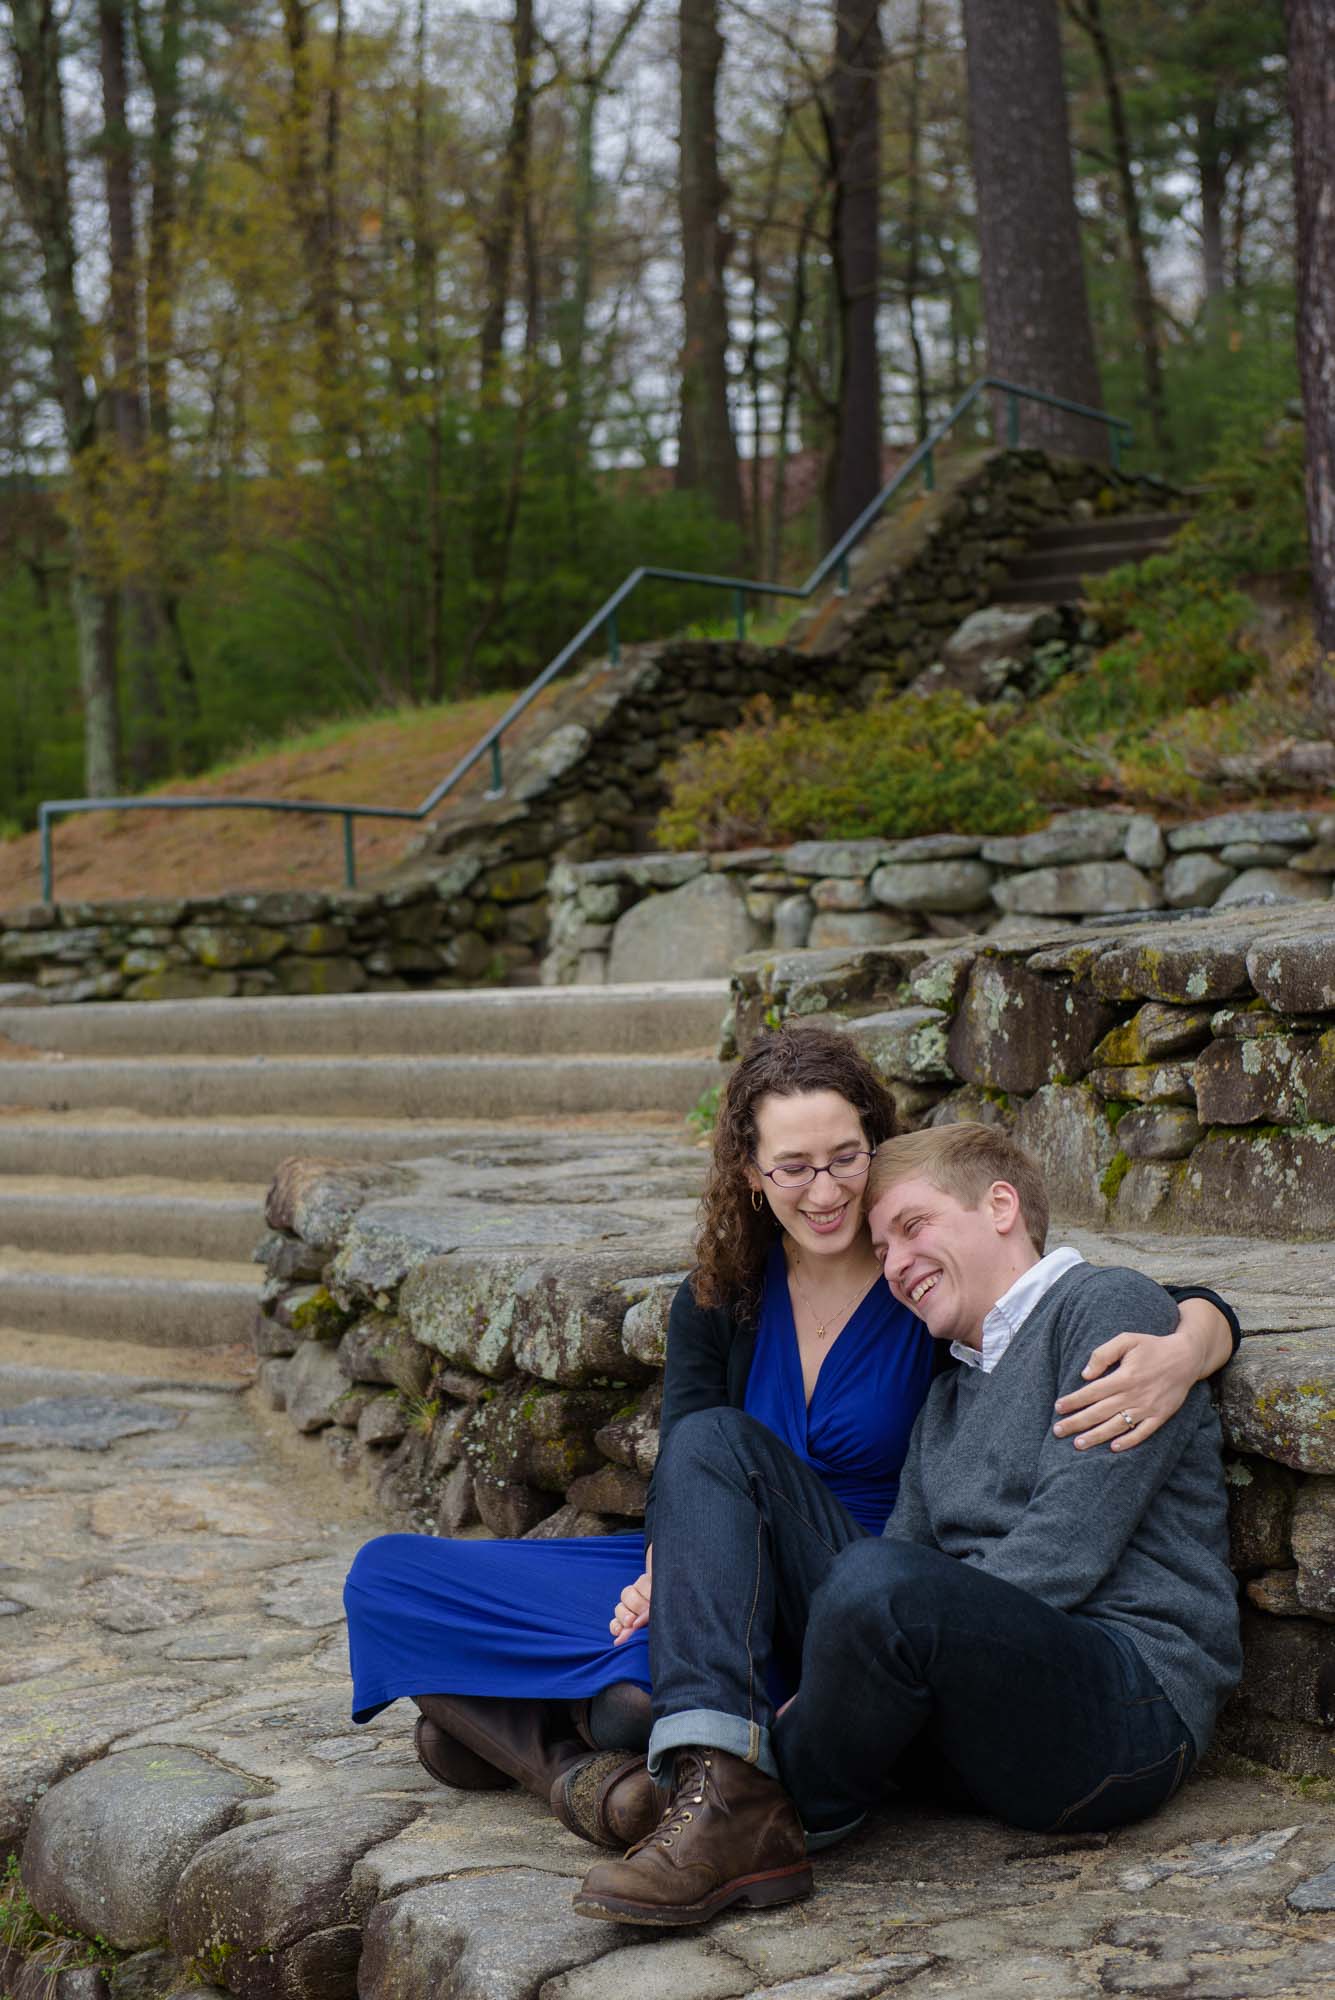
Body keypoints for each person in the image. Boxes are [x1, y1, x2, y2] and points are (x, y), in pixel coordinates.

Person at [344, 1028, 1237, 1849]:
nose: (825, 1191)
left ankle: (544, 1740)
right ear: (751, 1174)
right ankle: (575, 1766)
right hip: (718, 1546)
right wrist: (671, 1564)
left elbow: (1077, 1299)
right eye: (793, 1167)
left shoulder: (922, 1294)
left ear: (874, 1151)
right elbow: (693, 1453)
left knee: (627, 1695)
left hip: (854, 1581)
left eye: (846, 1159)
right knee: (388, 1579)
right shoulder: (722, 1296)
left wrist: (1198, 1335)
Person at [572, 1121, 1243, 1927]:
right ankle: (717, 1769)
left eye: (911, 1228)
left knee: (875, 1582)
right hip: (972, 1707)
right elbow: (900, 1564)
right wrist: (834, 1662)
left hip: (1122, 1712)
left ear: (999, 1206)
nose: (892, 1265)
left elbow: (1063, 1554)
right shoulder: (948, 1398)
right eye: (881, 1247)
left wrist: (839, 1673)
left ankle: (745, 1804)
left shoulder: (1104, 1308)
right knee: (713, 1441)